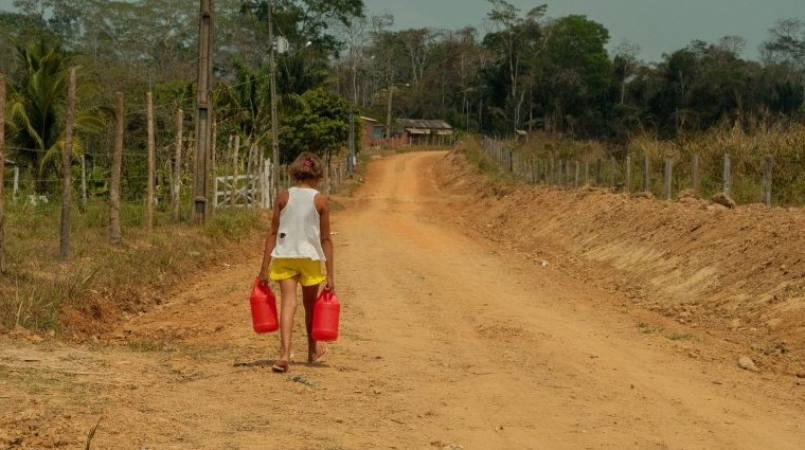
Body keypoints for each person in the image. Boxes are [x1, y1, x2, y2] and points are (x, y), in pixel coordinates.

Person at [258, 152, 334, 373]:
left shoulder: (283, 197)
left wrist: (264, 268)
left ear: (295, 174)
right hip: (310, 258)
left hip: (285, 256)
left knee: (288, 304)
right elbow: (326, 239)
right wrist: (330, 274)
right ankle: (312, 351)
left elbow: (273, 233)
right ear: (318, 175)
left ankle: (283, 354)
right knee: (309, 306)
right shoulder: (320, 200)